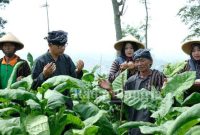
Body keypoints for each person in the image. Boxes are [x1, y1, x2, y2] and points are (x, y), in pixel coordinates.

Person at [99, 49, 165, 135]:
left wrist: (165, 89)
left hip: (153, 123)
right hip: (135, 124)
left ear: (150, 61)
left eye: (142, 60)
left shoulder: (158, 76)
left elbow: (165, 97)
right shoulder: (131, 80)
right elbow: (121, 100)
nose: (140, 64)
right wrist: (110, 90)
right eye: (137, 61)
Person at [31, 30, 84, 108]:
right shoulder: (40, 61)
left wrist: (79, 70)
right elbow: (33, 86)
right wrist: (44, 75)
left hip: (66, 103)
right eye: (59, 46)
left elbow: (73, 79)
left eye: (64, 45)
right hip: (48, 105)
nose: (63, 48)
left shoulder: (66, 59)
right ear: (50, 45)